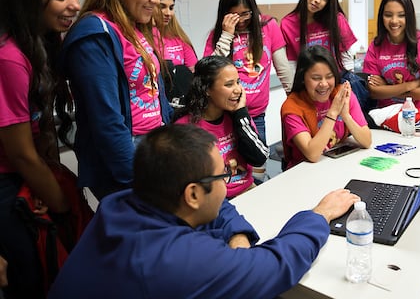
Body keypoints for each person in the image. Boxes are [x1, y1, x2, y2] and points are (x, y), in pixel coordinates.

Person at [48, 123, 359, 298]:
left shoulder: (122, 203)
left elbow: (220, 206)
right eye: (222, 175)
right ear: (193, 194)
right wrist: (318, 215)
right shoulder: (178, 260)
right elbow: (276, 265)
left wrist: (237, 234)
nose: (227, 185)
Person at [61, 0, 173, 201]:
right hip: (126, 159)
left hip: (154, 147)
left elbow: (156, 94)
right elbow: (107, 121)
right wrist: (137, 179)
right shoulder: (94, 34)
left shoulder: (135, 25)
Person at [0, 0, 79, 298]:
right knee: (32, 276)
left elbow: (42, 134)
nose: (75, 5)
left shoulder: (40, 45)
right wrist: (60, 204)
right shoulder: (9, 58)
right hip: (7, 182)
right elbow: (20, 154)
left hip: (30, 174)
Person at [204, 0, 293, 146]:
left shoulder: (269, 26)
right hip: (225, 114)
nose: (241, 20)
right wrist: (226, 36)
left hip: (256, 115)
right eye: (234, 15)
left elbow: (283, 68)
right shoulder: (216, 35)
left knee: (258, 163)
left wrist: (293, 96)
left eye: (245, 14)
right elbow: (208, 73)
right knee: (231, 165)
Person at [173, 56, 269, 198]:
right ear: (207, 89)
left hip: (246, 189)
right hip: (216, 201)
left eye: (238, 82)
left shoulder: (238, 115)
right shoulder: (186, 128)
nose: (238, 90)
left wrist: (241, 115)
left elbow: (260, 158)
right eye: (229, 84)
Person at [280, 45, 372, 169]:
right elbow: (312, 154)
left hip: (335, 166)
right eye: (316, 78)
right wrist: (333, 113)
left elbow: (366, 141)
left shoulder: (341, 94)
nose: (324, 84)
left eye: (329, 77)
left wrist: (346, 115)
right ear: (302, 78)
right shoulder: (292, 107)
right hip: (303, 171)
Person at [362, 0, 420, 121]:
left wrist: (387, 89)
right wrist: (408, 85)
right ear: (382, 17)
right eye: (388, 15)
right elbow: (374, 92)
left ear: (409, 17)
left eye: (401, 15)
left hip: (418, 117)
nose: (394, 21)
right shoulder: (376, 46)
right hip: (386, 117)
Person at [280, 0, 357, 74]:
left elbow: (347, 60)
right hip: (307, 84)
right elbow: (292, 64)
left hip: (337, 81)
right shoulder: (287, 24)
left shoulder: (337, 19)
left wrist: (347, 84)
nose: (318, 0)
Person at [156, 0, 197, 71]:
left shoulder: (180, 38)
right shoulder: (142, 39)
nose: (168, 13)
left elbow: (195, 74)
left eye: (171, 8)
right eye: (162, 7)